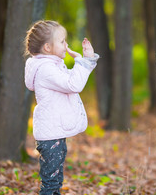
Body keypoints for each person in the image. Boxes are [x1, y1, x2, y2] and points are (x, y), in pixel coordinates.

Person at [24, 20, 99, 195]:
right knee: (51, 184)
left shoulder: (53, 66)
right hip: (51, 137)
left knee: (55, 181)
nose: (66, 45)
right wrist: (83, 61)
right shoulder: (46, 69)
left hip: (54, 134)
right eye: (62, 41)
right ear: (48, 47)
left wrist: (86, 60)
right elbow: (74, 85)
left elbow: (71, 81)